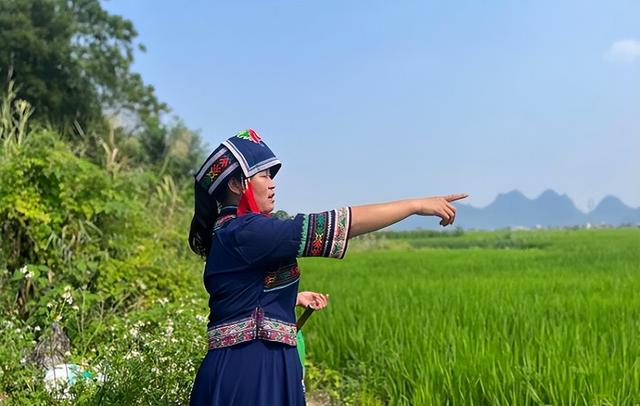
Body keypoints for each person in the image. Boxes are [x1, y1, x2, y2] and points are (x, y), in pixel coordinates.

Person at [188, 129, 467, 405]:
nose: (272, 184)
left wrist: (292, 298)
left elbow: (241, 293)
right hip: (251, 371)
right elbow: (338, 223)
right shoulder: (246, 231)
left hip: (250, 363)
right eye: (264, 175)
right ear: (237, 185)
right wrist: (415, 205)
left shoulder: (228, 231)